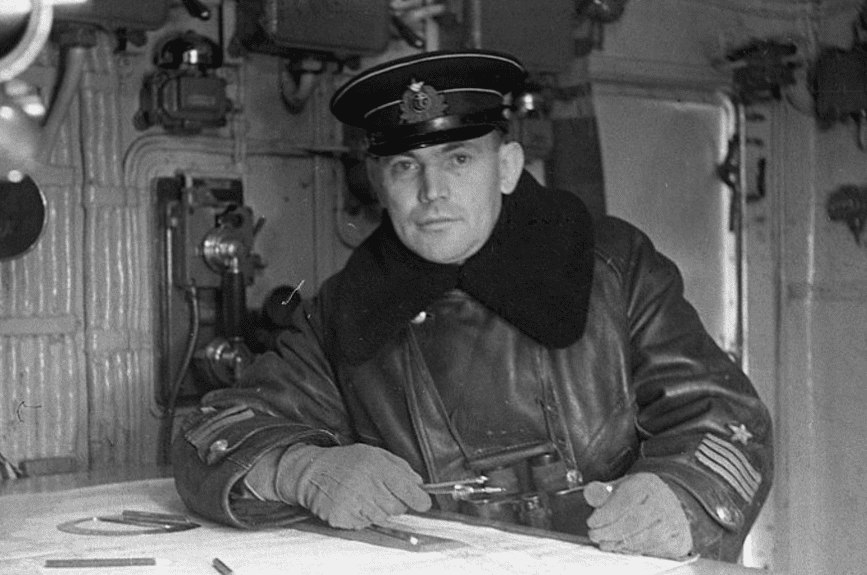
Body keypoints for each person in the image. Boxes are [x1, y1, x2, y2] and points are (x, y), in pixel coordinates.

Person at [172, 49, 773, 562]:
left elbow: (725, 419)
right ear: (378, 184)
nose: (432, 192)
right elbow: (210, 436)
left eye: (458, 159)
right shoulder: (341, 311)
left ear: (506, 167)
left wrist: (680, 495)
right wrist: (299, 469)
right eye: (405, 166)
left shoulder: (613, 268)